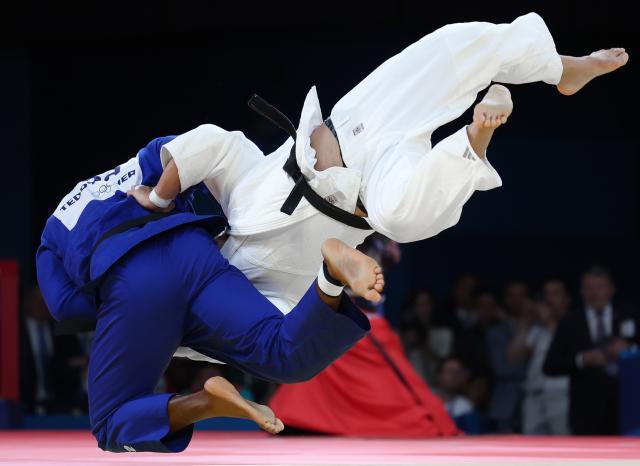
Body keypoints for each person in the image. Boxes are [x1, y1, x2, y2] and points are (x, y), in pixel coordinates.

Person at [129, 13, 627, 328]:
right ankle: (476, 135)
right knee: (402, 218)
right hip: (370, 191)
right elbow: (283, 331)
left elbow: (211, 143)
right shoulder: (263, 294)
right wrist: (344, 281)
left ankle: (564, 69)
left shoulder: (234, 203)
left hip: (358, 123)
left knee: (453, 45)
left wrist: (156, 199)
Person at [36, 136, 385, 453]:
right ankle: (330, 276)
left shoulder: (51, 236)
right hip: (196, 255)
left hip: (134, 284)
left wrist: (126, 315)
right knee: (284, 355)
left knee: (109, 422)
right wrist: (166, 201)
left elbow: (65, 305)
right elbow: (189, 153)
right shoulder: (135, 165)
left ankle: (204, 404)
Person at [268, 235, 459, 437]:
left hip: (357, 311)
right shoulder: (341, 226)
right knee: (315, 362)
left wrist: (384, 241)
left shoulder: (382, 231)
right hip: (334, 305)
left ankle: (306, 419)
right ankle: (301, 418)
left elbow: (394, 256)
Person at [544, 267, 640, 435]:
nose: (594, 293)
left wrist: (630, 351)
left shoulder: (631, 315)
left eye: (600, 287)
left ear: (611, 289)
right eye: (589, 288)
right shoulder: (569, 322)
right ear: (581, 292)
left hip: (627, 408)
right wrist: (582, 359)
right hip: (586, 412)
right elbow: (550, 365)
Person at [508, 299, 569, 435]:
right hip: (533, 396)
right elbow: (513, 357)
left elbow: (568, 347)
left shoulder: (571, 324)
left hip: (560, 396)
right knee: (531, 446)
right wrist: (524, 326)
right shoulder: (536, 330)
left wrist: (549, 322)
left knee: (562, 444)